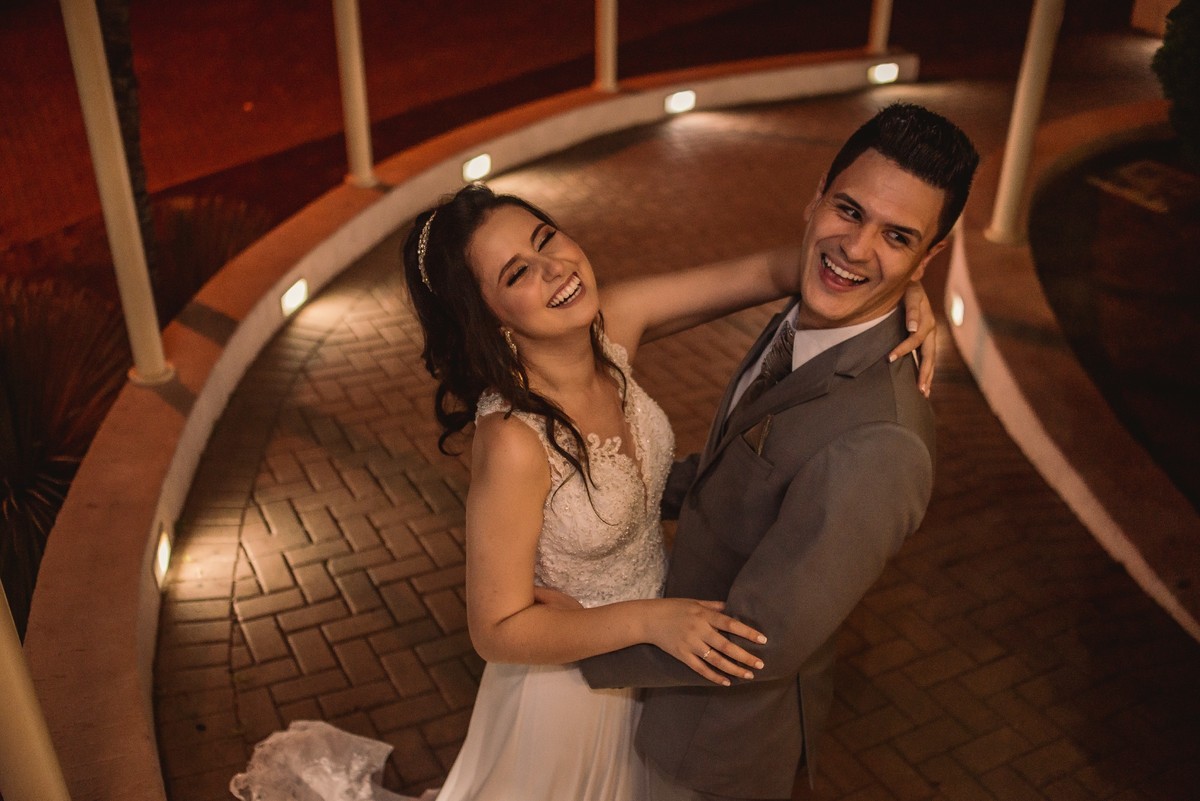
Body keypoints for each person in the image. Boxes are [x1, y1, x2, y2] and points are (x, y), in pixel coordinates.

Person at [231, 147, 938, 800]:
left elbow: (787, 271)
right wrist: (646, 620)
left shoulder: (617, 323)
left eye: (547, 240)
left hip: (659, 670)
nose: (554, 269)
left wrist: (902, 292)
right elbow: (496, 628)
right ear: (487, 317)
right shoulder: (513, 440)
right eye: (517, 274)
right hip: (568, 690)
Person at [579, 102, 980, 801]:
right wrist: (605, 485)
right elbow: (733, 480)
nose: (856, 249)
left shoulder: (883, 443)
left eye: (897, 236)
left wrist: (576, 644)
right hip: (663, 679)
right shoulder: (809, 308)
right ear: (817, 196)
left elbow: (760, 639)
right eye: (849, 210)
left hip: (710, 751)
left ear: (930, 256)